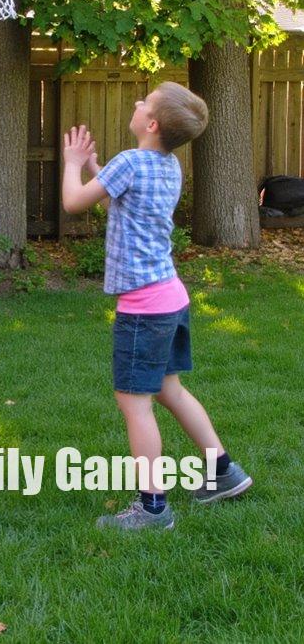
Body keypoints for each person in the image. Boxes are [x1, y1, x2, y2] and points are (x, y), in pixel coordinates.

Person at [62, 82, 252, 532]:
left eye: (144, 102)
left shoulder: (130, 163)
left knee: (134, 401)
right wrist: (95, 168)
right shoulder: (168, 166)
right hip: (171, 297)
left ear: (151, 124)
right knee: (170, 389)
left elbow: (74, 203)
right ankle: (223, 471)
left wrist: (73, 166)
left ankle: (152, 507)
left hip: (144, 307)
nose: (136, 102)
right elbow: (123, 204)